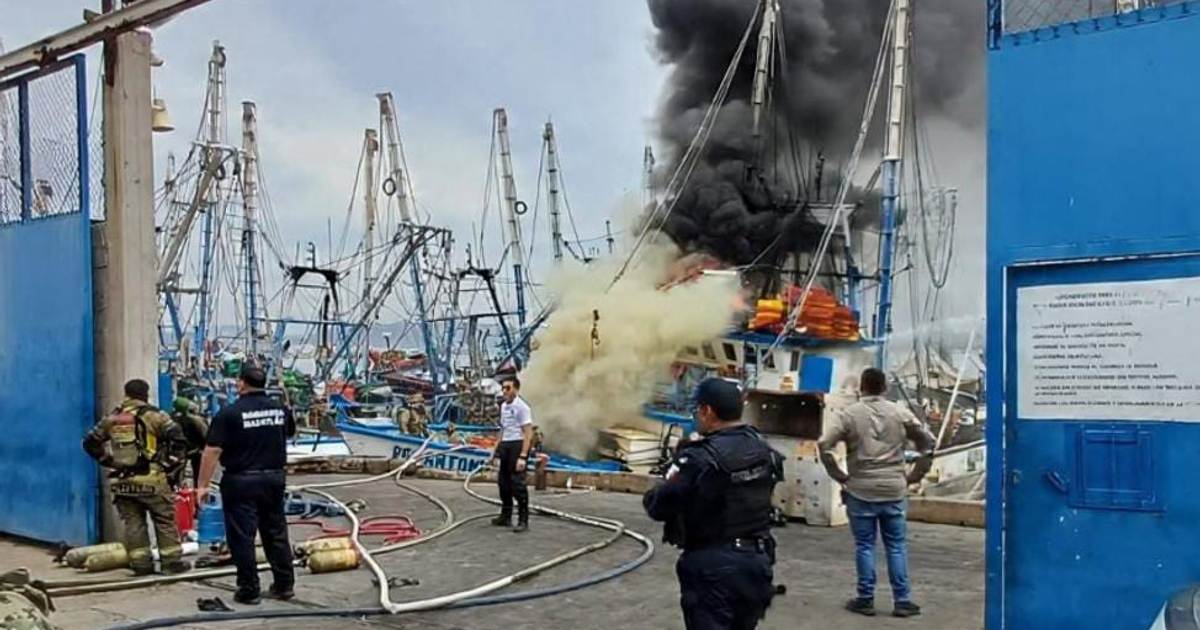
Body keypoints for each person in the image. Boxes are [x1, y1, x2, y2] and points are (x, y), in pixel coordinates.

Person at [643, 378, 783, 630]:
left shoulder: (699, 457)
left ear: (707, 411)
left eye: (697, 409)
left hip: (714, 564)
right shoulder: (763, 448)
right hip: (757, 560)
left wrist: (663, 483)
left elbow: (659, 506)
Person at [817, 367, 935, 618]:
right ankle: (902, 601)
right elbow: (928, 445)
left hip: (860, 489)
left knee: (865, 546)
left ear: (861, 388)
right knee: (896, 546)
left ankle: (865, 598)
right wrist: (914, 475)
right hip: (894, 489)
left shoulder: (848, 415)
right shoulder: (900, 413)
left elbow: (824, 444)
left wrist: (838, 475)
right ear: (885, 389)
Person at [196, 365, 296, 605]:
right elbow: (290, 433)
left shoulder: (229, 414)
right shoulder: (280, 410)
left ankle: (249, 589)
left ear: (241, 383)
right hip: (273, 478)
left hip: (241, 480)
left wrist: (202, 485)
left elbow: (212, 451)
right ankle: (284, 585)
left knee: (242, 536)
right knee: (276, 532)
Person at [82, 379, 191, 575]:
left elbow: (90, 442)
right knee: (164, 520)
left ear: (127, 394)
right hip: (152, 480)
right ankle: (171, 563)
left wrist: (108, 461)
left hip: (122, 481)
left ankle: (141, 565)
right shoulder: (156, 416)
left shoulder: (113, 418)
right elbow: (178, 438)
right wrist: (170, 465)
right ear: (146, 394)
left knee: (134, 523)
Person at [490, 377, 534, 533]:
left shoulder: (522, 407)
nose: (504, 392)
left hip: (517, 444)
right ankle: (506, 516)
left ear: (516, 389)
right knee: (503, 484)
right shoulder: (503, 407)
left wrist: (523, 456)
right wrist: (494, 450)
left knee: (518, 485)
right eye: (503, 388)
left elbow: (528, 432)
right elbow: (502, 429)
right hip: (506, 445)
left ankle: (523, 520)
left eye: (508, 388)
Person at [171, 396, 210, 488]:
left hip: (179, 451)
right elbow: (206, 435)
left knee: (178, 474)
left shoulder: (171, 419)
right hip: (197, 450)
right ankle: (198, 494)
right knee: (198, 474)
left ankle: (179, 493)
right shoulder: (197, 420)